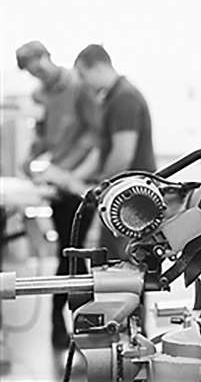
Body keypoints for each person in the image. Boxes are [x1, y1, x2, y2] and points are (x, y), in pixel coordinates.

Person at [15, 41, 99, 349]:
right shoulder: (40, 95)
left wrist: (69, 172)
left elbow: (94, 135)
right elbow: (42, 135)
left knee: (74, 253)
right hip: (59, 183)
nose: (38, 75)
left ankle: (69, 321)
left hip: (81, 180)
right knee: (70, 251)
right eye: (32, 73)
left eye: (39, 68)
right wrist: (30, 157)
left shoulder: (79, 87)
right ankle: (79, 324)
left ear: (48, 57)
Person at [72, 44, 156, 260]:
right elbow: (102, 150)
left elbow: (123, 154)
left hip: (130, 200)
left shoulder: (124, 98)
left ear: (98, 67)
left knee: (122, 264)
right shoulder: (111, 98)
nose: (82, 82)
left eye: (83, 75)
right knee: (113, 260)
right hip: (123, 195)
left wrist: (101, 187)